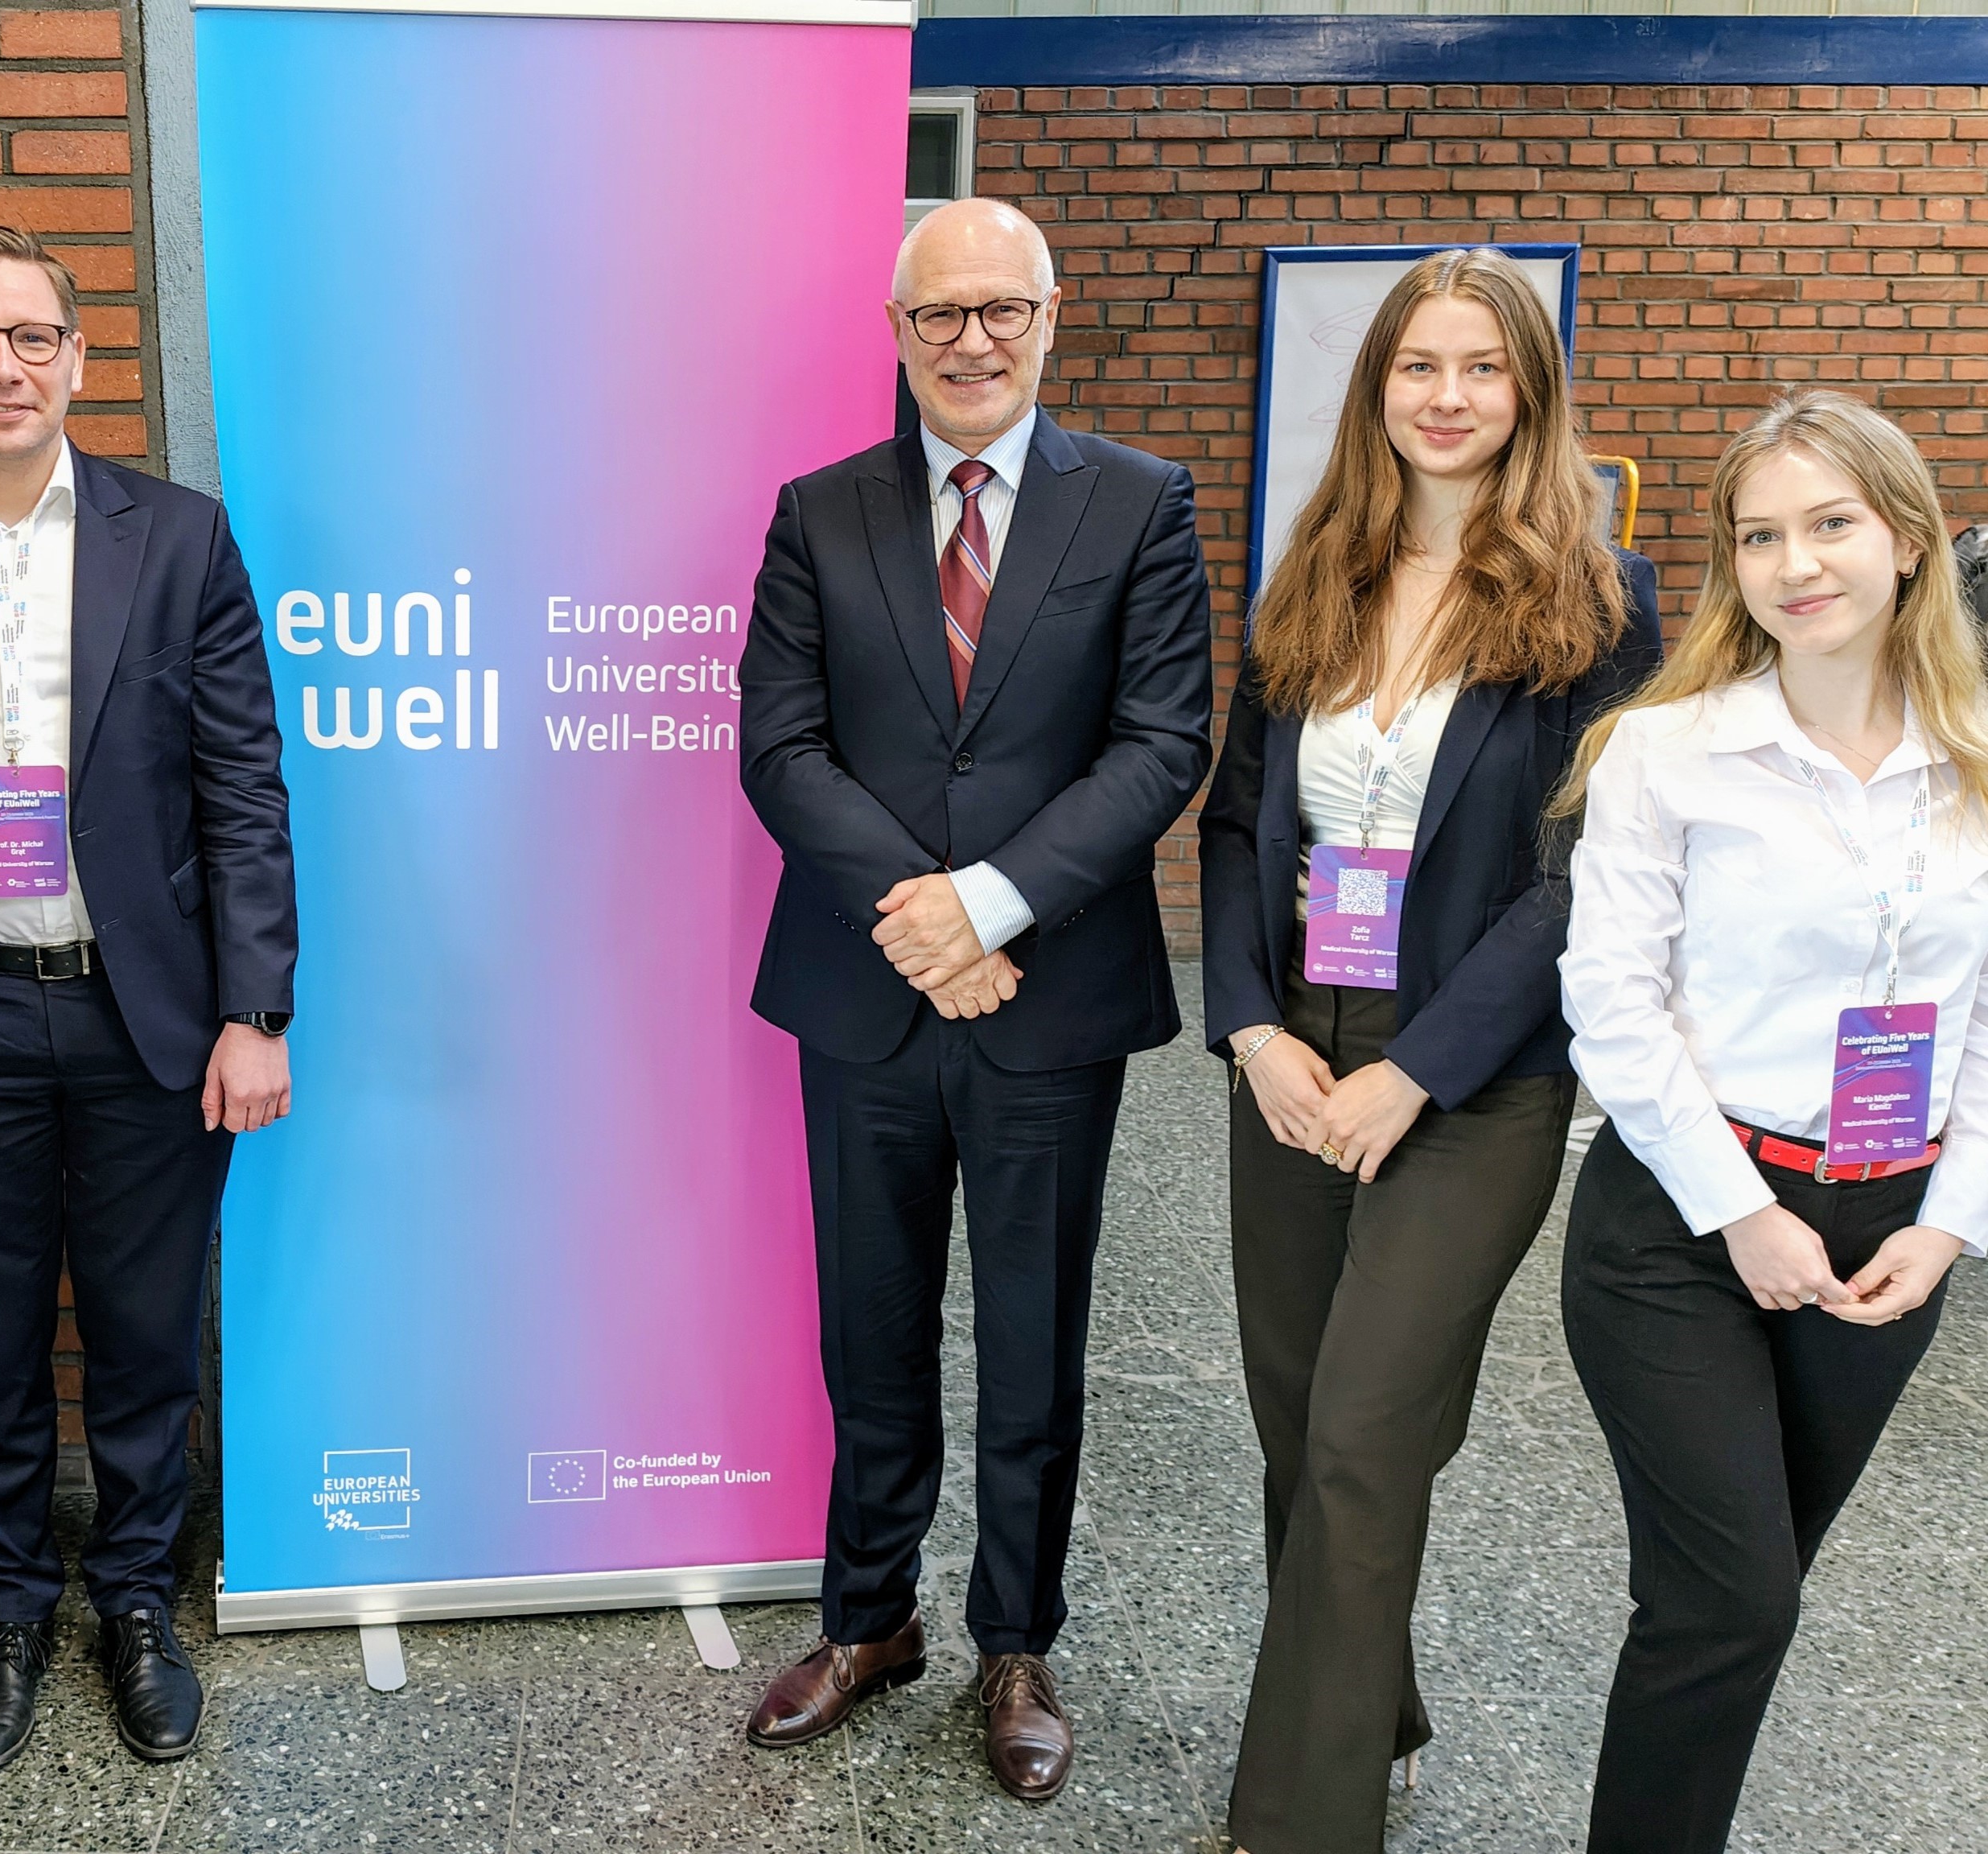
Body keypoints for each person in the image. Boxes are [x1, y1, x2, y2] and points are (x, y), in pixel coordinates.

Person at [735, 196, 1214, 1801]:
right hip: (865, 1001)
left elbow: (1161, 742)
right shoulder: (821, 513)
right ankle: (869, 1622)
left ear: (1050, 318)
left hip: (1050, 998)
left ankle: (1016, 1640)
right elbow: (782, 748)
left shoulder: (1141, 504)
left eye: (1003, 307)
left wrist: (993, 906)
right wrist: (927, 920)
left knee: (1033, 1338)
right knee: (869, 1334)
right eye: (941, 313)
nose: (973, 338)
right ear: (897, 332)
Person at [0, 223, 296, 1770]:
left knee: (149, 1334)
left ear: (81, 360)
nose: (2, 364)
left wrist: (256, 1010)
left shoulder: (181, 537)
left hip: (143, 1012)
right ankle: (12, 1606)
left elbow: (242, 786)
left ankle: (135, 1602)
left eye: (31, 337)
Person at [1196, 247, 1661, 1854]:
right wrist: (1250, 1025)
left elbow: (1580, 869)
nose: (1446, 396)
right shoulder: (1311, 573)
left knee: (1366, 1426)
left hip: (1473, 1077)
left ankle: (1299, 1822)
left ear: (1528, 390)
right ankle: (1367, 1706)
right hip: (1294, 1053)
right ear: (1377, 387)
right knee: (1297, 1419)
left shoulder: (1602, 601)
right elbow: (1243, 821)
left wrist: (1423, 1067)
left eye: (1482, 366)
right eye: (1417, 366)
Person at [1557, 389, 1988, 1853]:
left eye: (1830, 524)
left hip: (1888, 1235)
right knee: (1736, 1597)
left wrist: (1948, 1228)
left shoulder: (1979, 751)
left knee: (1730, 1600)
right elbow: (1611, 1006)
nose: (1795, 563)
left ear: (1910, 541)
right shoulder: (1667, 753)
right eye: (1759, 536)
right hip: (1683, 1225)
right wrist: (1741, 1212)